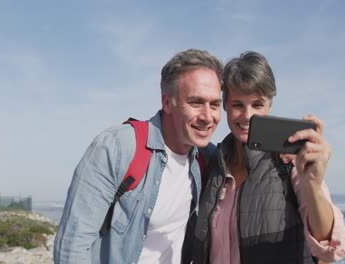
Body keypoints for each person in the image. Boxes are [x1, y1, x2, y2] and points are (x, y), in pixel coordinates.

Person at [54, 48, 224, 264]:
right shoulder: (118, 147)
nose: (208, 117)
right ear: (167, 102)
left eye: (215, 104)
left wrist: (280, 157)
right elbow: (72, 245)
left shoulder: (207, 157)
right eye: (196, 103)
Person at [183, 51, 345, 264]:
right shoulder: (213, 164)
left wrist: (313, 186)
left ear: (269, 106)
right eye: (237, 105)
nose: (247, 115)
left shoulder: (290, 161)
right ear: (225, 105)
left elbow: (329, 246)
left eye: (257, 104)